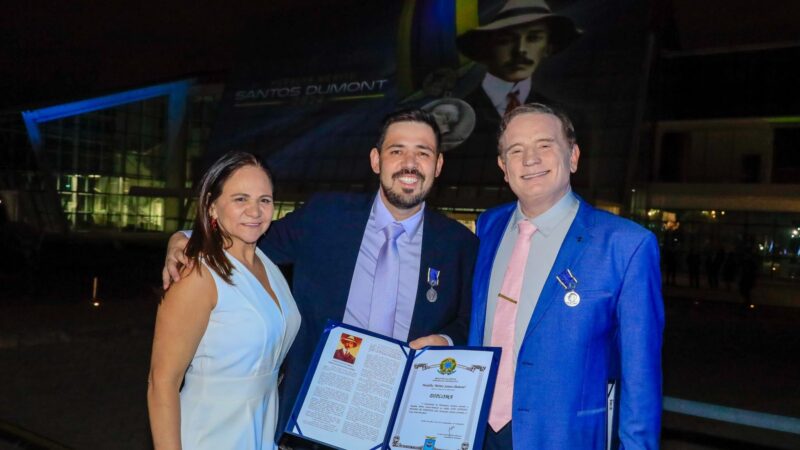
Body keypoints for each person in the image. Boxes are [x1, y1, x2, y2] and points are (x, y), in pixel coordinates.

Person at [162, 109, 478, 444]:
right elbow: (247, 237)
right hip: (315, 417)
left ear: (438, 165)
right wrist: (184, 238)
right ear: (376, 160)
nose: (409, 163)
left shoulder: (459, 244)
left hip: (405, 421)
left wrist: (444, 341)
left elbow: (467, 319)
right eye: (397, 151)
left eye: (423, 153)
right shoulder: (324, 217)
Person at [469, 103, 664, 449]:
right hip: (474, 429)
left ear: (573, 156)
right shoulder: (488, 226)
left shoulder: (626, 246)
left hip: (563, 437)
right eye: (516, 150)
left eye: (544, 145)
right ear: (503, 167)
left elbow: (641, 375)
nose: (530, 159)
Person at [148, 152, 301, 450]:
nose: (255, 211)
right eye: (240, 199)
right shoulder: (197, 274)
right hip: (209, 433)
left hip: (259, 430)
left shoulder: (267, 264)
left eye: (264, 200)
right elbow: (161, 382)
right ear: (212, 207)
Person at [456, 0, 581, 162]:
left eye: (533, 38)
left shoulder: (569, 119)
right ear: (486, 47)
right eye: (506, 39)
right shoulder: (454, 119)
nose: (520, 50)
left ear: (548, 47)